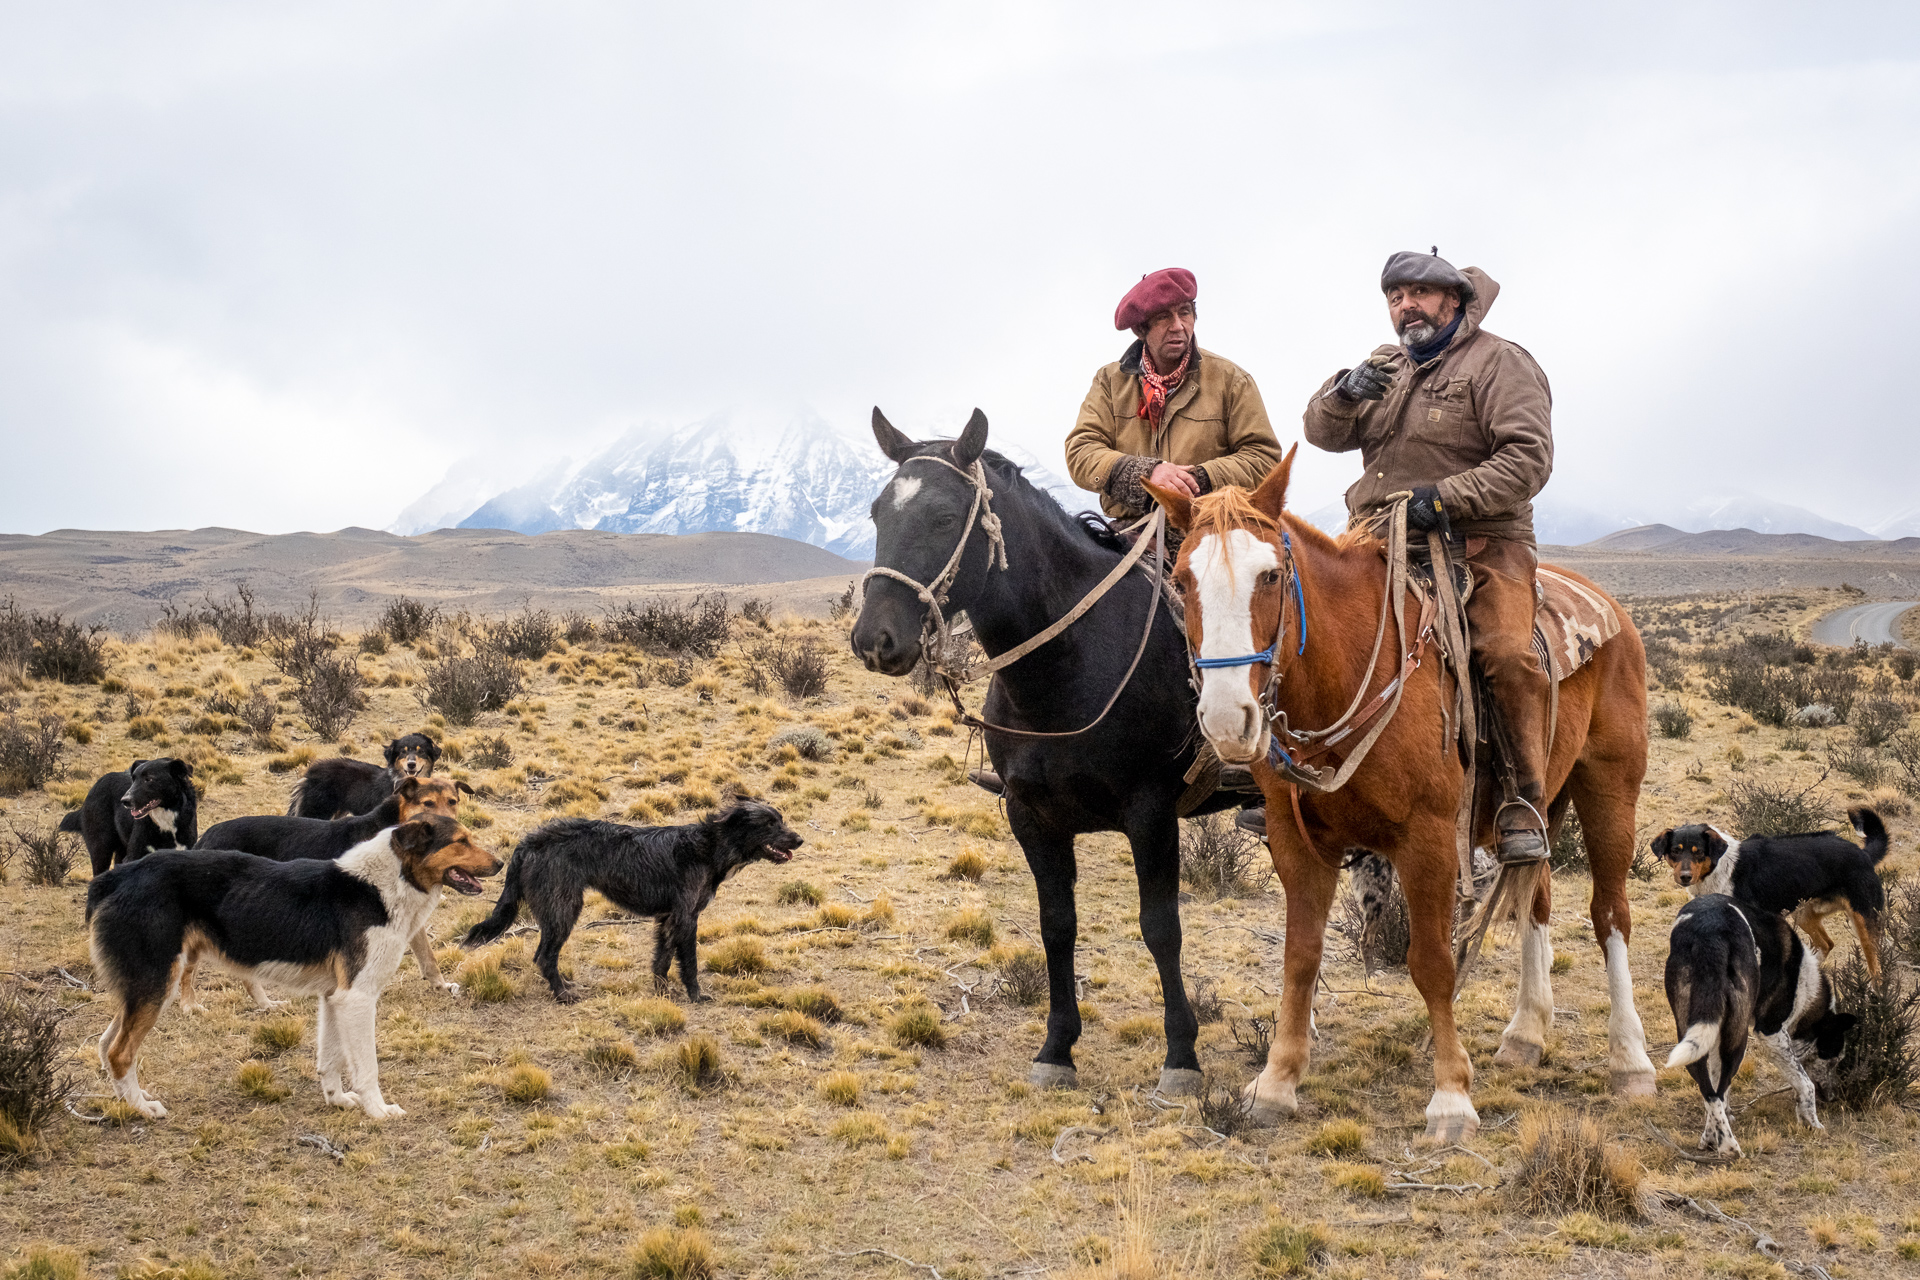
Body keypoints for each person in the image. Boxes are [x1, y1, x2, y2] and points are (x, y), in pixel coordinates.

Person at [1300, 249, 1555, 863]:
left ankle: (1523, 800)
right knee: (1303, 622)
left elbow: (1527, 459)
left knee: (1505, 652)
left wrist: (1442, 499)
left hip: (1481, 544)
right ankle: (1295, 774)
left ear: (1455, 300)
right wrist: (1341, 393)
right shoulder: (1384, 364)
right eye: (1395, 296)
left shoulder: (1500, 362)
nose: (1405, 305)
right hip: (1377, 539)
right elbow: (1320, 432)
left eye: (1419, 293)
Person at [1065, 268, 1283, 523]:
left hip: (1212, 528)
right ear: (1140, 329)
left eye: (1185, 313)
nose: (1178, 326)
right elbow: (1081, 450)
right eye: (1162, 317)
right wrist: (1147, 475)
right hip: (1128, 534)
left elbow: (1264, 458)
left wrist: (1197, 480)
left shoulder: (1232, 381)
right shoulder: (1110, 382)